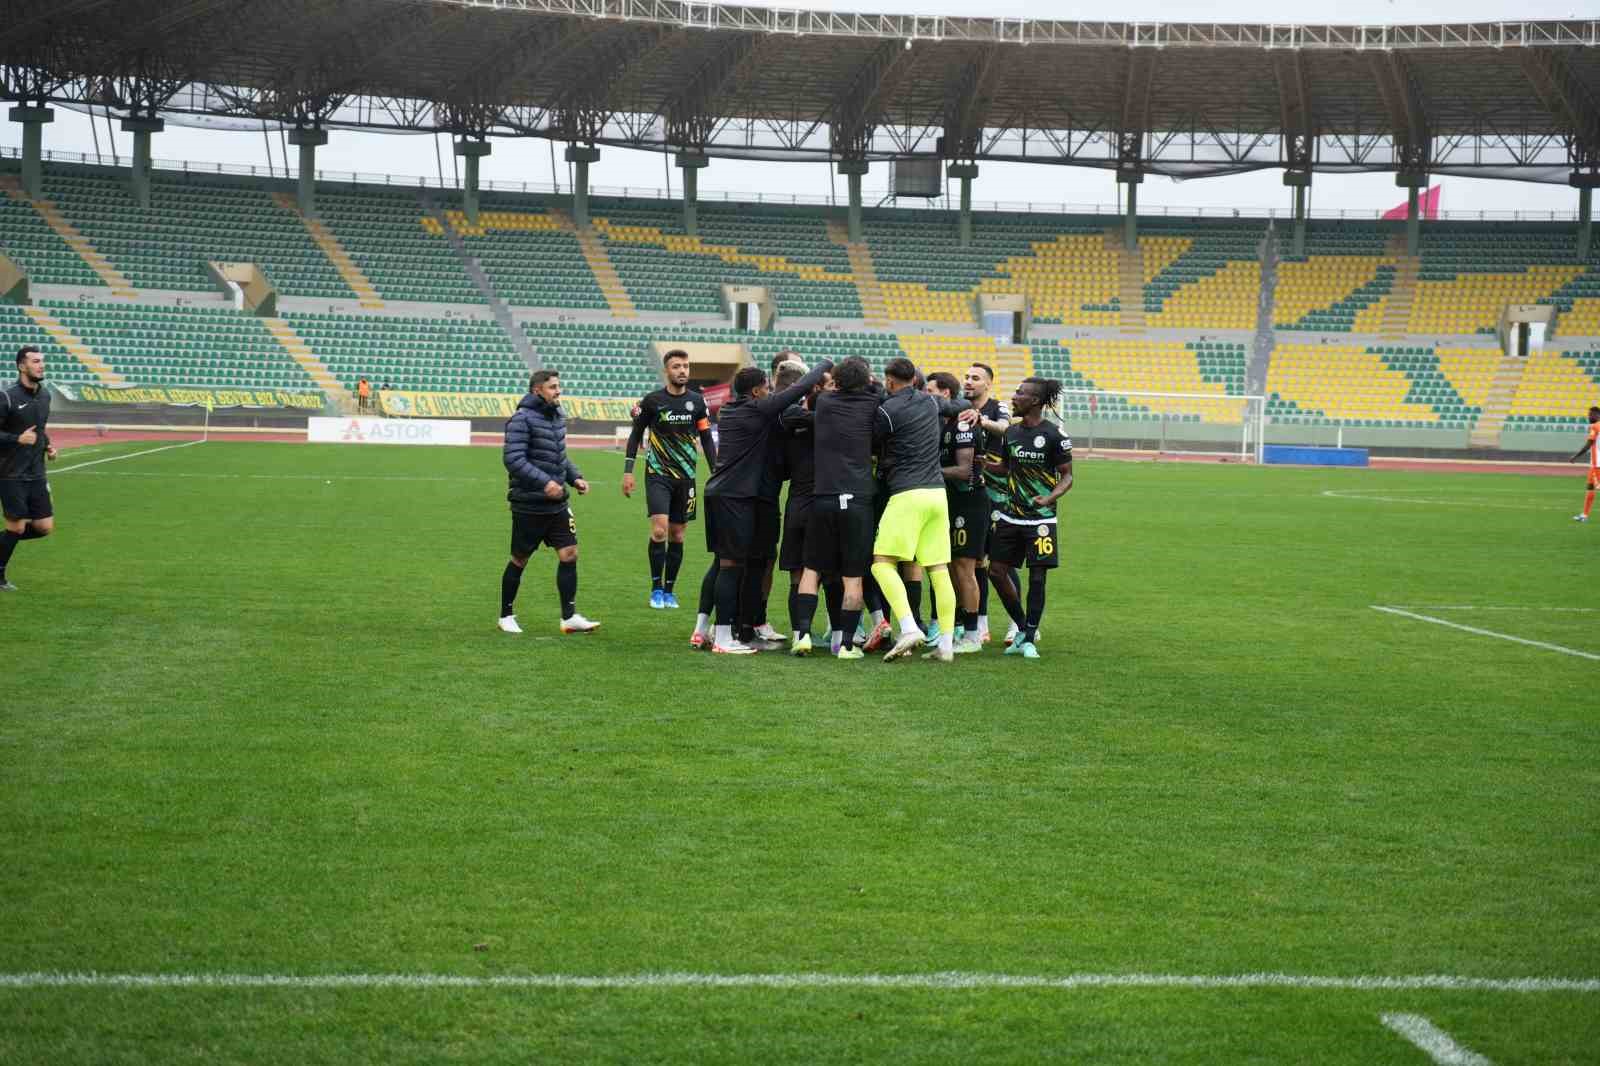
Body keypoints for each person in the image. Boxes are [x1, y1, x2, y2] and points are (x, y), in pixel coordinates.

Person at [701, 357, 833, 654]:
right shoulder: (758, 408)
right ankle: (723, 638)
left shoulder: (731, 409)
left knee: (733, 565)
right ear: (758, 391)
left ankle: (726, 630)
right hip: (734, 497)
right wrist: (824, 364)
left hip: (721, 493)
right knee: (732, 565)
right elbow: (797, 389)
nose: (770, 391)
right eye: (766, 387)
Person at [869, 357, 974, 663]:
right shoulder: (931, 402)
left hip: (907, 494)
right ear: (915, 380)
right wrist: (970, 409)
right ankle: (945, 645)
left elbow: (874, 443)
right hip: (937, 494)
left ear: (890, 382)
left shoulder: (888, 410)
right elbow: (958, 404)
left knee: (881, 563)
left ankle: (908, 626)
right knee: (939, 569)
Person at [792, 356, 882, 659]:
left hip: (823, 497)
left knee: (812, 569)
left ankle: (802, 635)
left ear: (838, 380)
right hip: (857, 498)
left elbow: (812, 389)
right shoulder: (873, 404)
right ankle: (845, 645)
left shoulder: (824, 403)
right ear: (867, 380)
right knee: (853, 576)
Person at [499, 369, 599, 635]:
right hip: (529, 503)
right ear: (537, 391)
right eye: (553, 387)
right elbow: (514, 459)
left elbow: (557, 457)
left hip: (557, 503)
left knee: (570, 554)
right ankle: (506, 615)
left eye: (559, 386)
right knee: (520, 559)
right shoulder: (521, 419)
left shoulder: (556, 417)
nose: (558, 391)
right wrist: (544, 483)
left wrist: (574, 477)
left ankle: (569, 617)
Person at [986, 377, 1073, 660]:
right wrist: (984, 465)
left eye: (1019, 393)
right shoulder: (1010, 433)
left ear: (1034, 401)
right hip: (1011, 515)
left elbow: (1067, 476)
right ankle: (1024, 629)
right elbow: (1005, 469)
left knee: (1037, 578)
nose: (1014, 397)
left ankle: (1030, 634)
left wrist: (1049, 498)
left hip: (1041, 520)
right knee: (996, 572)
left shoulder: (1054, 435)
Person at [622, 349, 716, 608]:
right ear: (667, 371)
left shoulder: (698, 402)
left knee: (678, 535)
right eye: (676, 366)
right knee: (660, 530)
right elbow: (635, 435)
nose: (682, 370)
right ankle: (655, 588)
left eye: (686, 366)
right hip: (658, 474)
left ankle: (669, 590)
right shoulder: (652, 401)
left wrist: (717, 472)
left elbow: (706, 439)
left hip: (686, 477)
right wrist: (628, 471)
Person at [927, 372, 985, 653]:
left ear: (947, 394)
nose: (926, 397)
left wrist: (928, 472)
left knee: (964, 568)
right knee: (949, 567)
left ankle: (973, 635)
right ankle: (960, 627)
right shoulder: (943, 422)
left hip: (969, 503)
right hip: (950, 502)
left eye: (931, 392)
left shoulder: (962, 423)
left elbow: (964, 471)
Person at [776, 362, 827, 652]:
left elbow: (783, 469)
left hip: (797, 503)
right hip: (825, 503)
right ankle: (839, 636)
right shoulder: (832, 423)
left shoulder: (789, 420)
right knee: (830, 574)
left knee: (797, 572)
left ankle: (799, 633)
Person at [0, 346, 56, 592]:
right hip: (10, 472)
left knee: (44, 527)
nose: (41, 365)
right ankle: (0, 576)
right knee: (17, 526)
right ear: (22, 366)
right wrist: (16, 439)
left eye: (42, 361)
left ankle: (4, 544)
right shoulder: (7, 397)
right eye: (35, 361)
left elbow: (39, 429)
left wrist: (48, 446)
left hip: (36, 471)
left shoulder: (45, 396)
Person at [962, 362, 1011, 644]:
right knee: (975, 562)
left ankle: (1019, 625)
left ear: (988, 384)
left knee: (1001, 562)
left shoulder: (997, 407)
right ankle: (981, 624)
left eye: (975, 378)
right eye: (966, 377)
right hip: (971, 495)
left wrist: (981, 420)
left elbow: (1005, 428)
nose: (968, 381)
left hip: (997, 496)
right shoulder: (959, 407)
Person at [1570, 405, 1599, 522]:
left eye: (1590, 414)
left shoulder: (1595, 426)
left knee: (1596, 487)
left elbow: (1588, 444)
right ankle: (1584, 515)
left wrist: (1575, 457)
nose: (1588, 416)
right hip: (1594, 463)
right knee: (1590, 488)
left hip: (1598, 464)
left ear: (1597, 415)